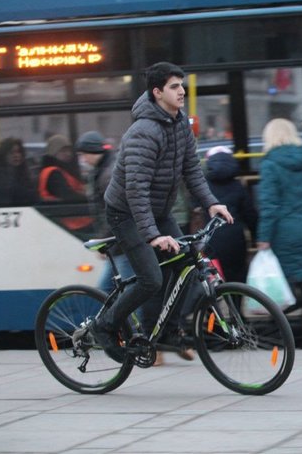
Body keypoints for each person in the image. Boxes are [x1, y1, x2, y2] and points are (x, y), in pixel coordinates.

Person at [92, 62, 234, 363]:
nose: (181, 91)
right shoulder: (143, 132)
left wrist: (211, 202)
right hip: (126, 213)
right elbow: (136, 190)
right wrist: (153, 236)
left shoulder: (180, 124)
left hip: (158, 210)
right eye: (174, 86)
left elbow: (192, 169)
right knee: (151, 279)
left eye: (181, 85)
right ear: (157, 92)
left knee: (186, 264)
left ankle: (167, 332)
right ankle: (104, 327)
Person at [256, 119, 302, 349]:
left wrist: (263, 237)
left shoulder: (270, 165)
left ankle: (279, 336)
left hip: (283, 232)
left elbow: (269, 206)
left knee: (280, 284)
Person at [75, 131, 136, 295]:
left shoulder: (107, 175)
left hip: (122, 244)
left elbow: (113, 213)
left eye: (84, 154)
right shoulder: (103, 170)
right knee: (107, 290)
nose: (83, 160)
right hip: (119, 243)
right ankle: (119, 320)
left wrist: (103, 241)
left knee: (125, 293)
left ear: (94, 152)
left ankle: (136, 321)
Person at [200, 146, 258, 284]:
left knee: (213, 281)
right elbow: (250, 215)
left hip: (211, 239)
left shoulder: (203, 186)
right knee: (237, 279)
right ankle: (235, 304)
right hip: (236, 240)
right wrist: (256, 236)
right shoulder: (238, 186)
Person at [38, 134, 93, 238]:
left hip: (73, 221)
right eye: (63, 151)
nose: (68, 154)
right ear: (54, 152)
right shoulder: (53, 173)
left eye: (69, 150)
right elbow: (68, 195)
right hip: (70, 223)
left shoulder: (61, 170)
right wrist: (90, 198)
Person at [0, 137, 37, 207]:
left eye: (18, 152)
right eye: (12, 152)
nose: (16, 155)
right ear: (4, 155)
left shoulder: (25, 173)